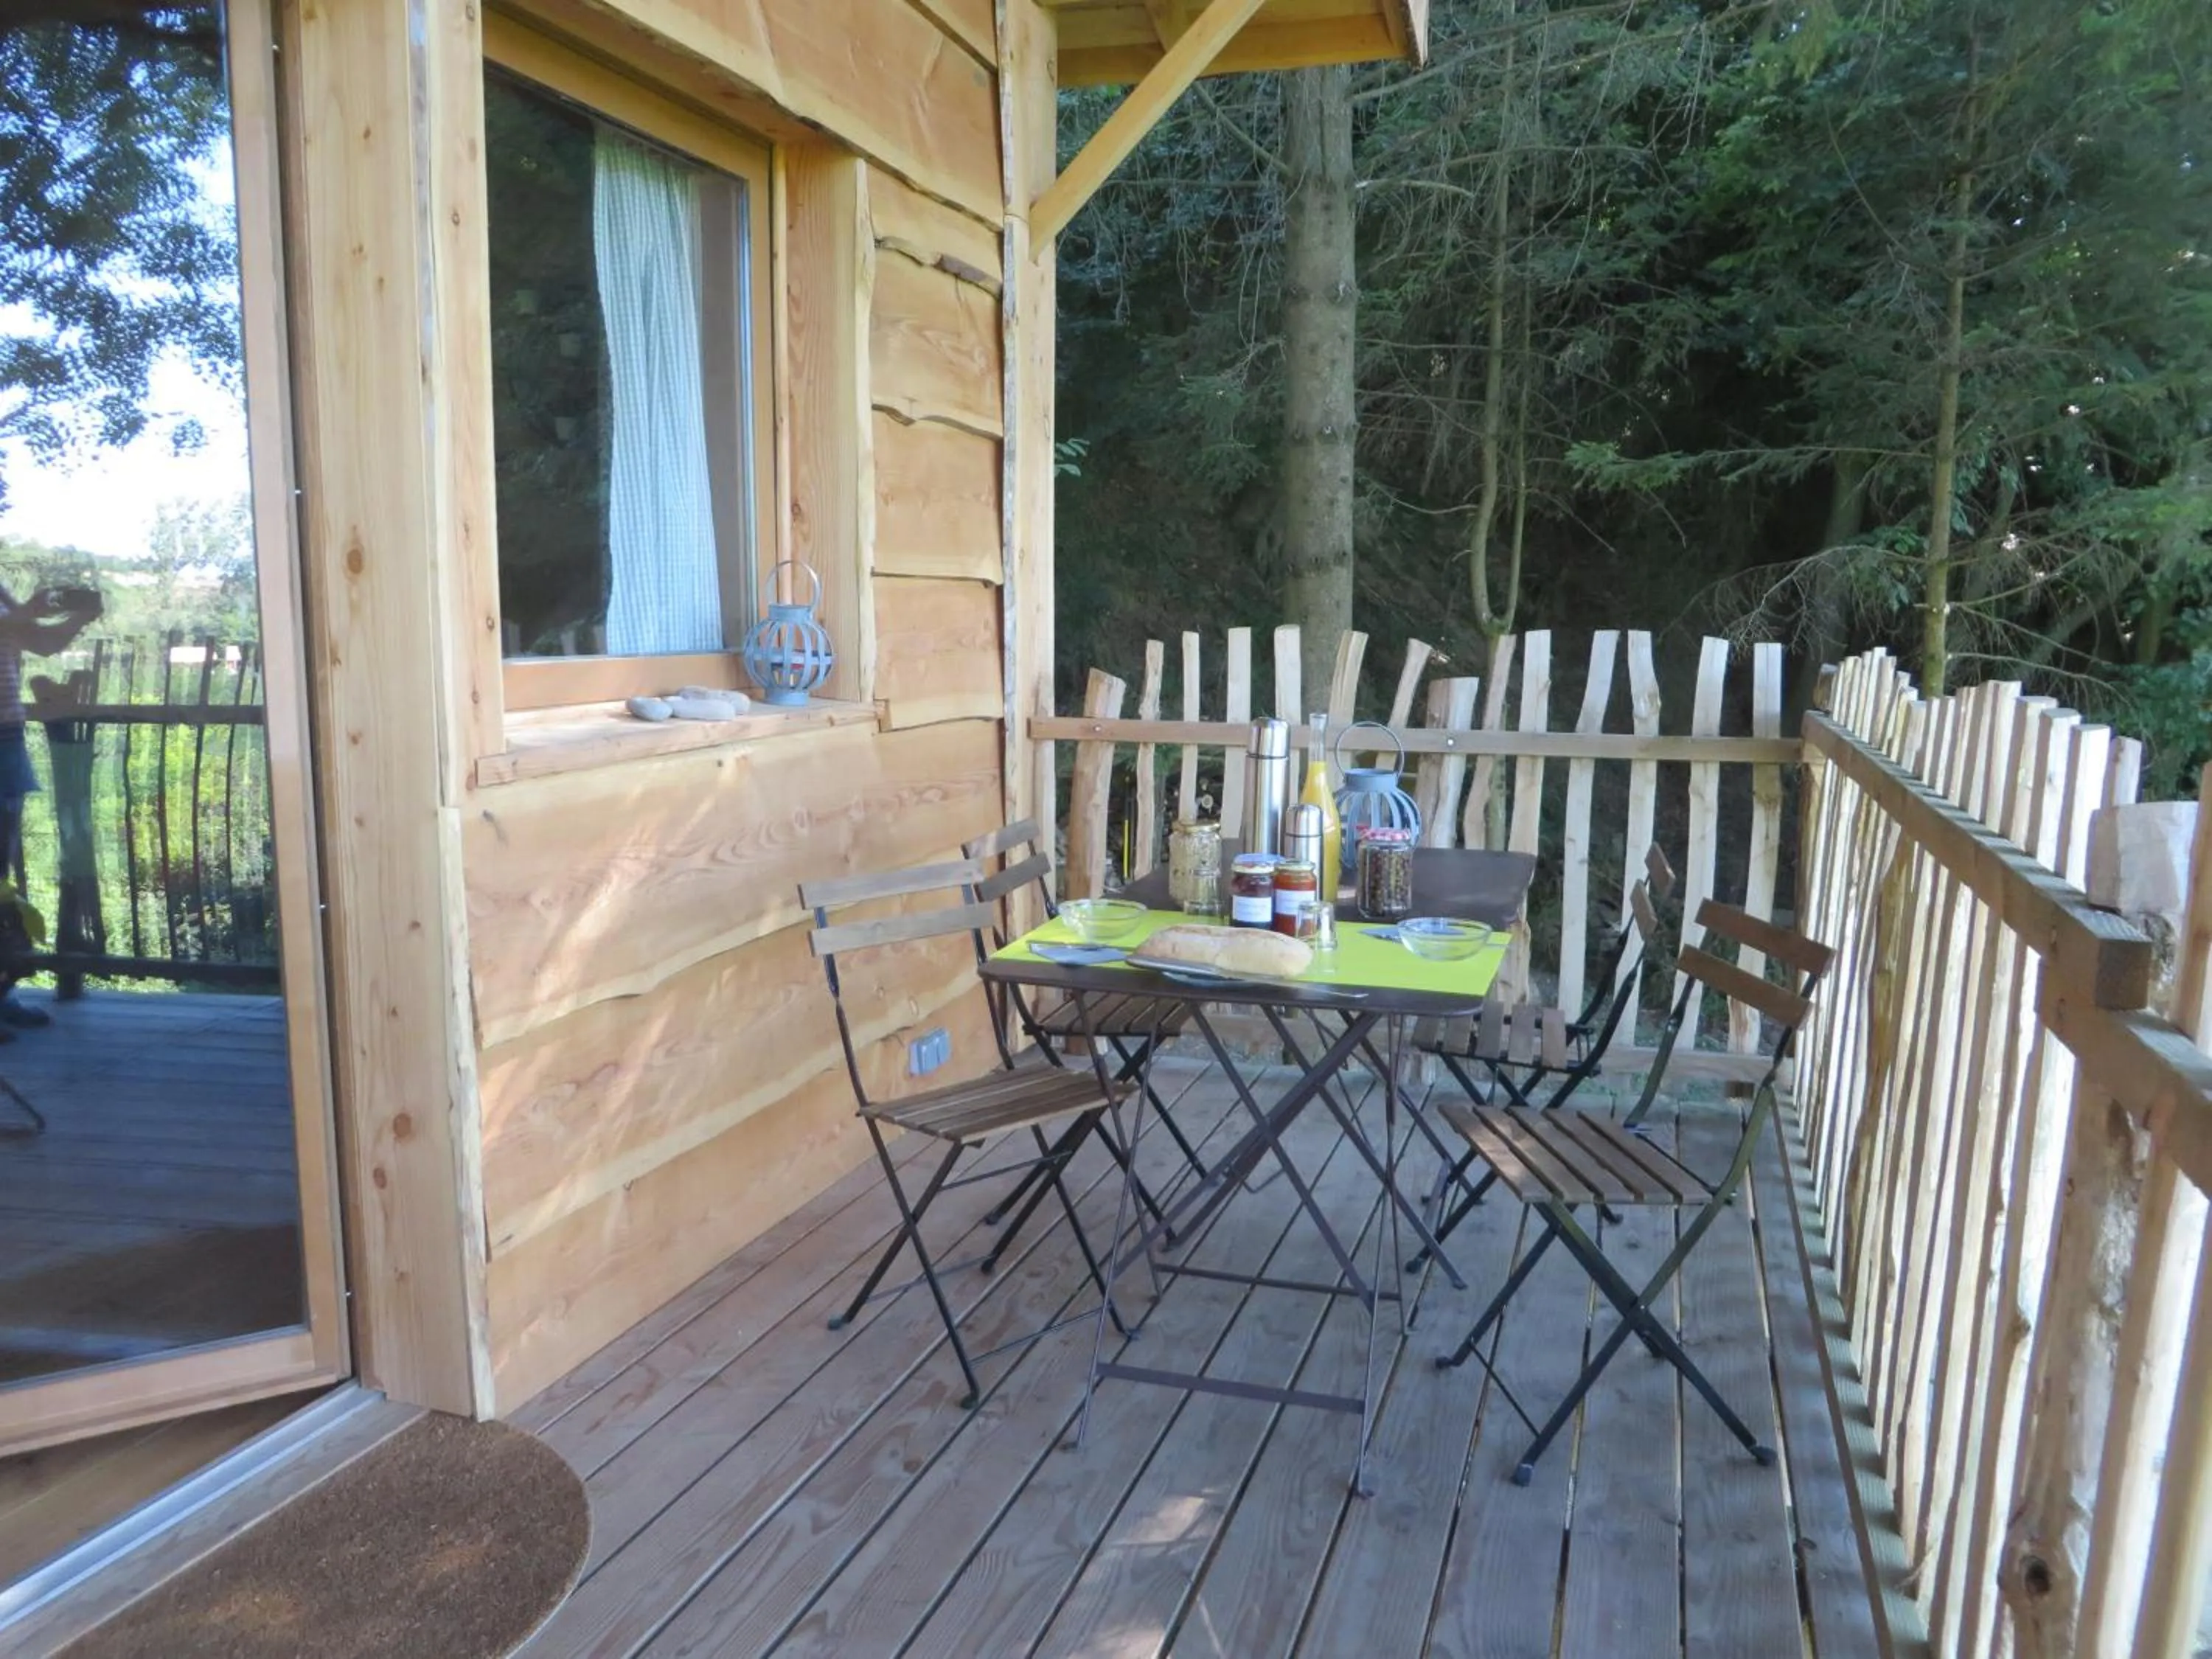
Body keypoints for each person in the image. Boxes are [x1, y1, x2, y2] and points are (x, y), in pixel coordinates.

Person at [0, 582, 102, 1031]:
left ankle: (1, 993)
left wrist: (79, 617)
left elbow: (40, 644)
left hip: (6, 739)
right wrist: (31, 610)